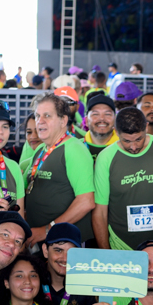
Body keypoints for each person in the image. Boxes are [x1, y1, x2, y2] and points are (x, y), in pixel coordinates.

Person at [92, 107, 153, 252]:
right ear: (116, 131)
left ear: (146, 127)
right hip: (120, 245)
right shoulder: (105, 158)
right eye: (126, 141)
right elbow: (100, 212)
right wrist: (107, 253)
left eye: (139, 139)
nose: (133, 147)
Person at [24, 91, 96, 244]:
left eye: (47, 116)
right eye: (37, 116)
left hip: (66, 243)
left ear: (63, 121)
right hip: (39, 240)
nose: (40, 121)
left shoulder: (74, 149)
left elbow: (86, 201)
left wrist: (47, 230)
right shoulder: (40, 149)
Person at [39, 222, 95, 305]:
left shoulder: (85, 286)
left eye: (71, 252)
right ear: (45, 251)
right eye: (58, 250)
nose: (65, 259)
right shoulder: (32, 282)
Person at [83, 93, 118, 162]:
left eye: (107, 114)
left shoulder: (125, 147)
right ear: (86, 121)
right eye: (95, 114)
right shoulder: (77, 147)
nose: (102, 118)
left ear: (115, 120)